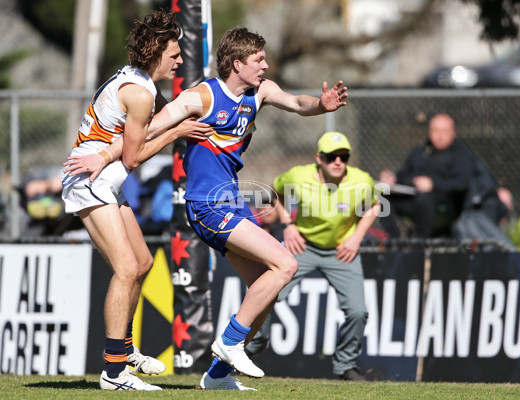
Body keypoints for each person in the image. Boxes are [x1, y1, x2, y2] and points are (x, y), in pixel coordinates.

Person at [70, 26, 348, 391]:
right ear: (237, 63)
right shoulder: (200, 97)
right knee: (286, 264)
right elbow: (146, 130)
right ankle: (228, 343)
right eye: (258, 60)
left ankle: (217, 375)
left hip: (231, 202)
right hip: (207, 205)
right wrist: (104, 154)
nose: (265, 66)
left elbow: (298, 103)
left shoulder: (260, 92)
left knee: (264, 286)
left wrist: (320, 106)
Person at [61, 10, 212, 391]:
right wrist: (178, 131)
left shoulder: (142, 83)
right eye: (174, 55)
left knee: (143, 262)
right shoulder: (141, 93)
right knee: (126, 267)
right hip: (90, 178)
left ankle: (125, 350)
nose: (179, 61)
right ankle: (113, 372)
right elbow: (133, 156)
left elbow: (156, 124)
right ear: (154, 52)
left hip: (105, 179)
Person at [245, 131, 381, 381]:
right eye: (331, 157)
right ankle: (250, 348)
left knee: (358, 311)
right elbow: (277, 192)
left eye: (344, 156)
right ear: (319, 158)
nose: (338, 162)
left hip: (341, 251)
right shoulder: (298, 175)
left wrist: (356, 237)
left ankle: (346, 366)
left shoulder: (362, 180)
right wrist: (288, 225)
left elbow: (375, 206)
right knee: (266, 294)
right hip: (302, 247)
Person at [378, 113, 474, 238]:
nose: (440, 136)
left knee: (425, 198)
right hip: (412, 198)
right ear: (429, 132)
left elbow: (462, 183)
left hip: (443, 205)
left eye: (445, 131)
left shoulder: (461, 155)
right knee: (382, 197)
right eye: (436, 131)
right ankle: (394, 239)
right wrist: (392, 178)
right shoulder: (419, 152)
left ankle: (421, 241)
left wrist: (433, 184)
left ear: (453, 133)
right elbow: (403, 173)